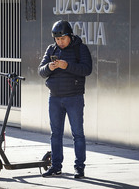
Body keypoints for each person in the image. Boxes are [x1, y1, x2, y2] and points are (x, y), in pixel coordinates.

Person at [38, 20, 92, 178]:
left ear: (69, 36)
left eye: (62, 39)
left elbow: (87, 69)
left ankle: (79, 167)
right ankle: (56, 166)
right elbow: (40, 71)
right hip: (54, 98)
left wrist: (66, 66)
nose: (60, 42)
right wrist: (50, 67)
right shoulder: (51, 49)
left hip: (74, 97)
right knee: (55, 134)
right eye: (57, 39)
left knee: (78, 134)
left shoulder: (80, 49)